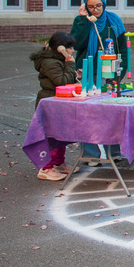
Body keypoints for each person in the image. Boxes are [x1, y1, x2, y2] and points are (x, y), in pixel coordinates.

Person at [70, 0, 128, 163]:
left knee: (111, 112)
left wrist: (120, 73)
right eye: (91, 7)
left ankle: (114, 151)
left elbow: (123, 49)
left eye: (99, 6)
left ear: (104, 3)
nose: (96, 10)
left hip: (109, 72)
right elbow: (76, 43)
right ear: (85, 7)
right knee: (87, 114)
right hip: (86, 72)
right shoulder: (82, 21)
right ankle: (90, 154)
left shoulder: (114, 21)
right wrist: (82, 20)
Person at [30, 31, 79, 181]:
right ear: (60, 48)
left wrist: (75, 73)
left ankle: (59, 163)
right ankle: (46, 168)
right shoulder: (50, 62)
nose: (72, 51)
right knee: (51, 135)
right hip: (50, 101)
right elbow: (61, 81)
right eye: (69, 48)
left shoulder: (57, 61)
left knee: (61, 134)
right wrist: (70, 65)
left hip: (58, 101)